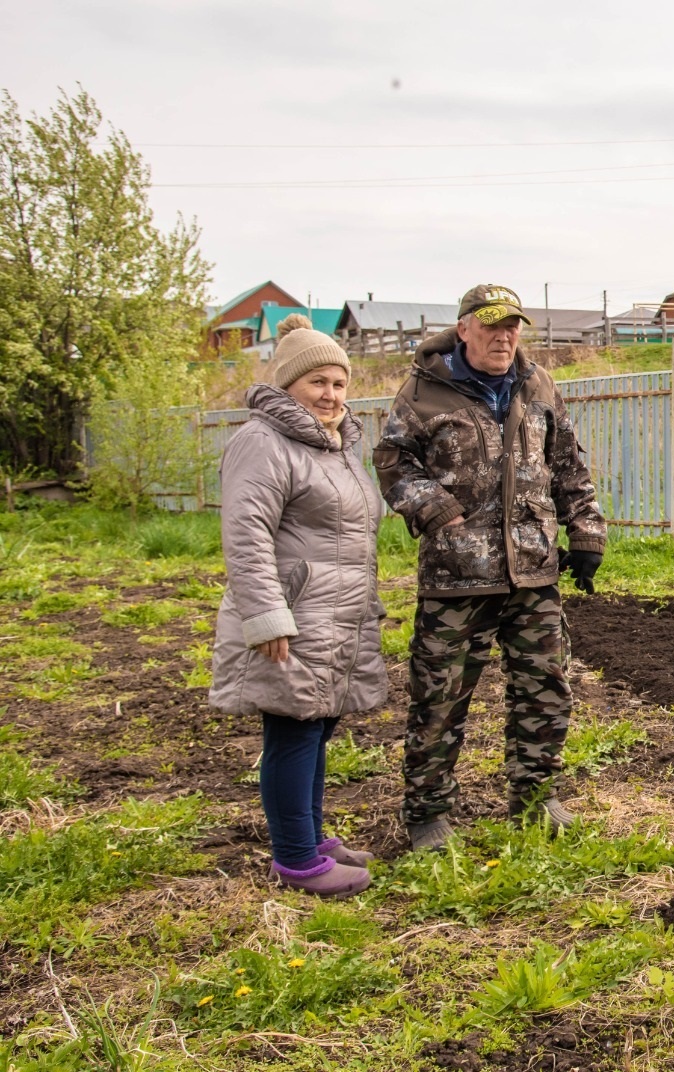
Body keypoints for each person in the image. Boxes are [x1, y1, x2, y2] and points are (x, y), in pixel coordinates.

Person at [375, 284, 607, 851]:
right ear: (464, 330)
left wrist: (585, 532)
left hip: (532, 568)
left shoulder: (538, 384)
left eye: (512, 327)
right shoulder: (423, 390)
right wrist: (437, 511)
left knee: (544, 686)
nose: (504, 337)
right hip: (456, 575)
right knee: (440, 696)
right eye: (492, 326)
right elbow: (393, 462)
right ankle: (427, 811)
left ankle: (536, 795)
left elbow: (567, 464)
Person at [210, 315, 389, 898]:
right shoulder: (263, 442)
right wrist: (265, 616)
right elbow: (246, 535)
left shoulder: (334, 445)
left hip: (336, 614)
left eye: (339, 383)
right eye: (317, 382)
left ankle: (310, 839)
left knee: (316, 726)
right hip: (293, 615)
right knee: (292, 731)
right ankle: (295, 859)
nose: (331, 394)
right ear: (288, 384)